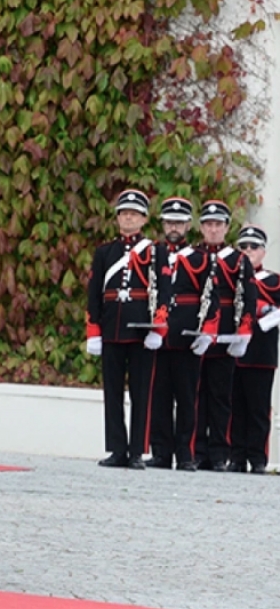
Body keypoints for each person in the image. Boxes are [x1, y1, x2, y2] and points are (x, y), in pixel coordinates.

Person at [86, 189, 164, 469]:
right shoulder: (105, 252)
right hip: (111, 328)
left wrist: (159, 329)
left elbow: (164, 292)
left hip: (142, 330)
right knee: (113, 392)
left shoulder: (156, 252)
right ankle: (117, 449)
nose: (128, 218)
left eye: (134, 214)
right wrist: (94, 331)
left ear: (144, 219)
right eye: (124, 213)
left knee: (142, 393)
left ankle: (136, 452)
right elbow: (94, 293)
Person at [192, 200, 256, 471]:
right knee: (195, 395)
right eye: (208, 224)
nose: (213, 229)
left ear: (227, 228)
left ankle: (219, 452)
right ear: (201, 227)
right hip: (196, 333)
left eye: (218, 225)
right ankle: (197, 450)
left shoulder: (238, 260)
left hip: (225, 333)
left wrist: (244, 332)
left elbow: (247, 296)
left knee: (220, 396)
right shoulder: (193, 255)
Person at [145, 197, 193, 469]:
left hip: (185, 334)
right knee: (159, 396)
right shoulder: (152, 255)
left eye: (179, 222)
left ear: (188, 225)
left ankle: (185, 454)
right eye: (169, 221)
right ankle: (161, 452)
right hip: (158, 335)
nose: (174, 226)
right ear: (162, 224)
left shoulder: (198, 257)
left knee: (187, 397)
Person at [229, 225, 278, 473]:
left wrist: (264, 312)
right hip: (233, 351)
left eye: (254, 247)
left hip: (261, 353)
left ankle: (257, 458)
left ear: (263, 251)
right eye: (243, 247)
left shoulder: (273, 280)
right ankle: (236, 456)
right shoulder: (230, 277)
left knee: (258, 408)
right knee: (234, 406)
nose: (248, 251)